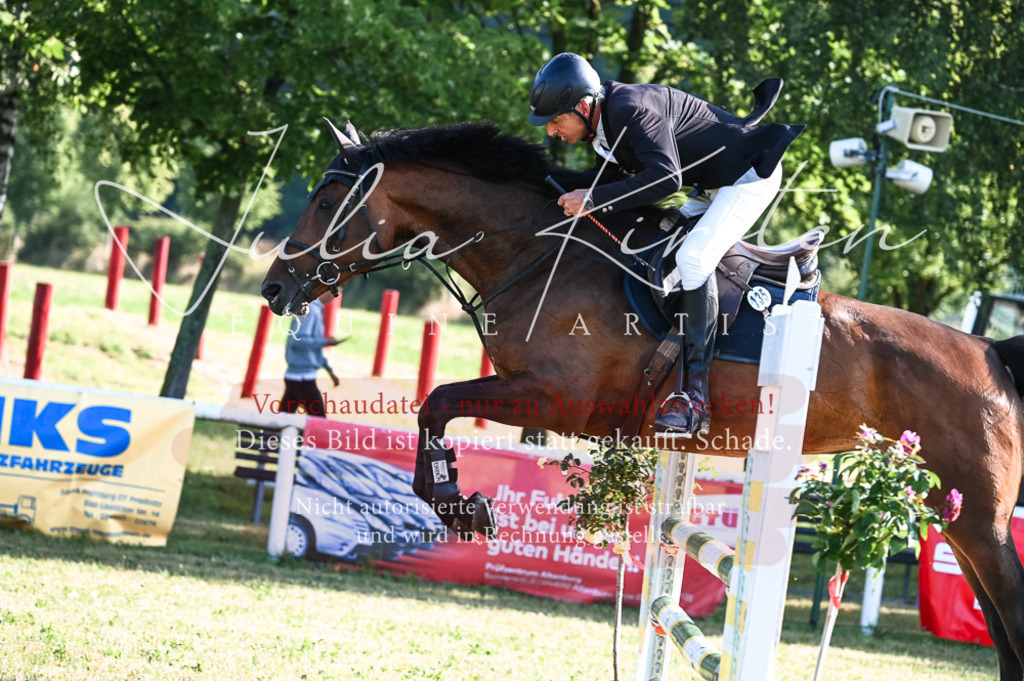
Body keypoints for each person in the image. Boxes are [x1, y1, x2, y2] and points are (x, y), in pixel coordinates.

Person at [528, 52, 804, 438]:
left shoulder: (629, 109)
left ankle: (694, 398)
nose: (552, 131)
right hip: (711, 184)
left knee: (692, 260)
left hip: (747, 178)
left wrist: (590, 200)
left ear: (584, 105)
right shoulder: (604, 127)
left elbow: (665, 178)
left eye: (556, 120)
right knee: (655, 248)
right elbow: (606, 183)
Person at [280, 297, 344, 415]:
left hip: (298, 376)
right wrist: (325, 342)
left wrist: (330, 371)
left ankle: (268, 432)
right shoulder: (310, 311)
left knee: (283, 418)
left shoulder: (315, 309)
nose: (336, 294)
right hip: (302, 378)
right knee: (318, 421)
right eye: (334, 288)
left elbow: (313, 349)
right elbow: (298, 341)